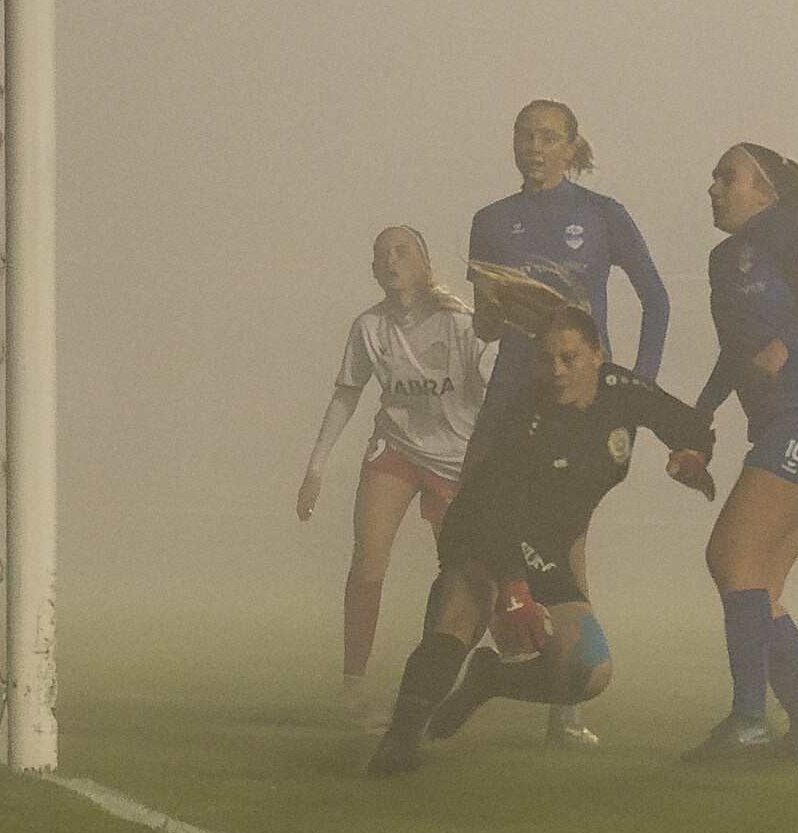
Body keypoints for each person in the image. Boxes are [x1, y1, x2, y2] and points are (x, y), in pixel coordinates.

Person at [366, 279, 715, 777]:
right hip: (485, 528)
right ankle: (400, 742)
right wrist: (513, 587)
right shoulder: (528, 419)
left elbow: (688, 422)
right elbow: (500, 507)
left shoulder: (621, 391)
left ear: (598, 355)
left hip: (546, 544)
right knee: (462, 619)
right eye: (547, 360)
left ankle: (488, 680)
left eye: (569, 358)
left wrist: (693, 454)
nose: (557, 371)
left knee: (590, 673)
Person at [465, 98, 672, 745]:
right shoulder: (489, 221)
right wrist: (499, 309)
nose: (534, 146)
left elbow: (657, 300)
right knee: (472, 542)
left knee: (567, 549)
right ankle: (440, 680)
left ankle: (566, 700)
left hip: (572, 411)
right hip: (507, 403)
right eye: (524, 135)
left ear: (572, 146)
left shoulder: (603, 215)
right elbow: (484, 326)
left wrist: (634, 391)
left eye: (548, 136)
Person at [682, 144, 798, 764]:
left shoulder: (787, 226)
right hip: (790, 426)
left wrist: (787, 344)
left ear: (764, 189)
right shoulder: (722, 259)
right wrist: (699, 420)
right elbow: (737, 352)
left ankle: (748, 718)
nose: (713, 187)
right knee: (759, 589)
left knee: (728, 554)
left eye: (726, 176)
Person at [296, 226, 493, 720]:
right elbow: (347, 394)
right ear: (373, 271)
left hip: (456, 460)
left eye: (401, 251)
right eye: (381, 255)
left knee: (467, 576)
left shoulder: (460, 322)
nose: (390, 260)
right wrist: (316, 468)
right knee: (368, 561)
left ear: (426, 263)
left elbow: (495, 389)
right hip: (396, 449)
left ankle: (456, 677)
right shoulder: (369, 327)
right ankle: (353, 684)